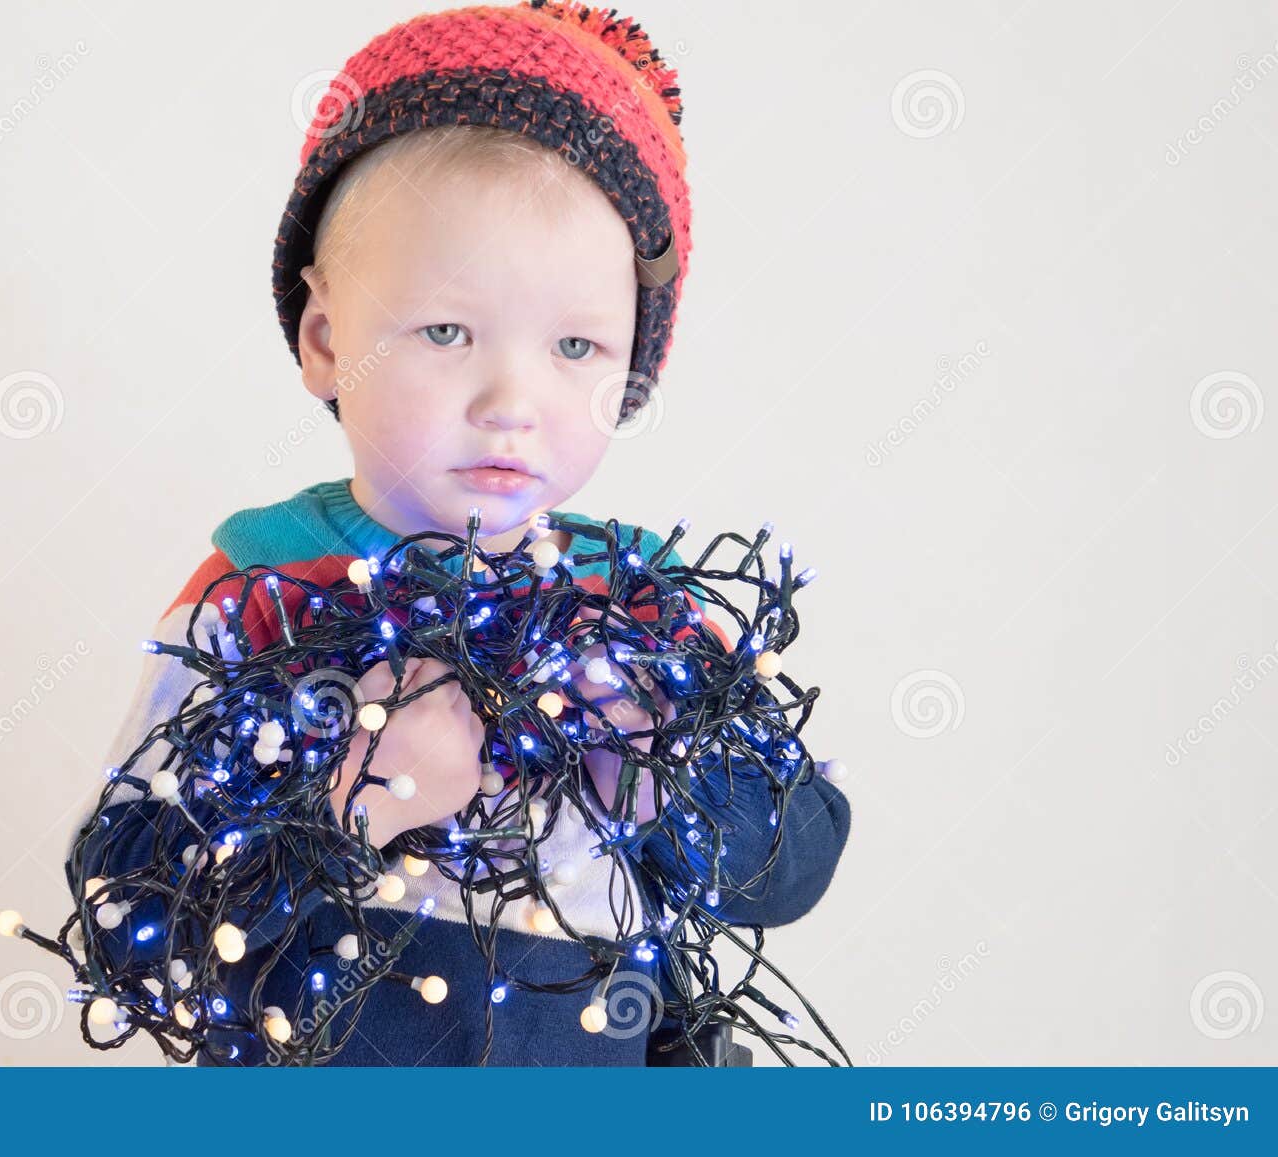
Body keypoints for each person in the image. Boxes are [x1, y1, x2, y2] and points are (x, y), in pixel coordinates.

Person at [69, 0, 851, 1066]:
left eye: (576, 344)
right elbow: (123, 902)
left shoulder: (642, 609)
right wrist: (344, 803)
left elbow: (798, 862)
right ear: (325, 338)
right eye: (445, 331)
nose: (510, 399)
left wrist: (670, 778)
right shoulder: (260, 592)